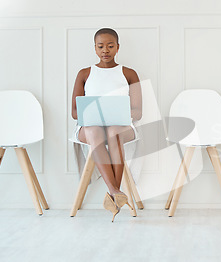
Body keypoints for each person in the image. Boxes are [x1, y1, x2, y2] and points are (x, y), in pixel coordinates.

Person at [71, 28, 142, 222]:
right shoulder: (85, 73)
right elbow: (75, 112)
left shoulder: (129, 73)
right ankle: (115, 192)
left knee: (113, 131)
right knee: (95, 131)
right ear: (94, 48)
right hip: (89, 128)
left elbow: (137, 112)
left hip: (121, 127)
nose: (105, 50)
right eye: (101, 46)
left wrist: (116, 115)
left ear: (118, 47)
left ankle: (113, 195)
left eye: (110, 46)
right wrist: (96, 115)